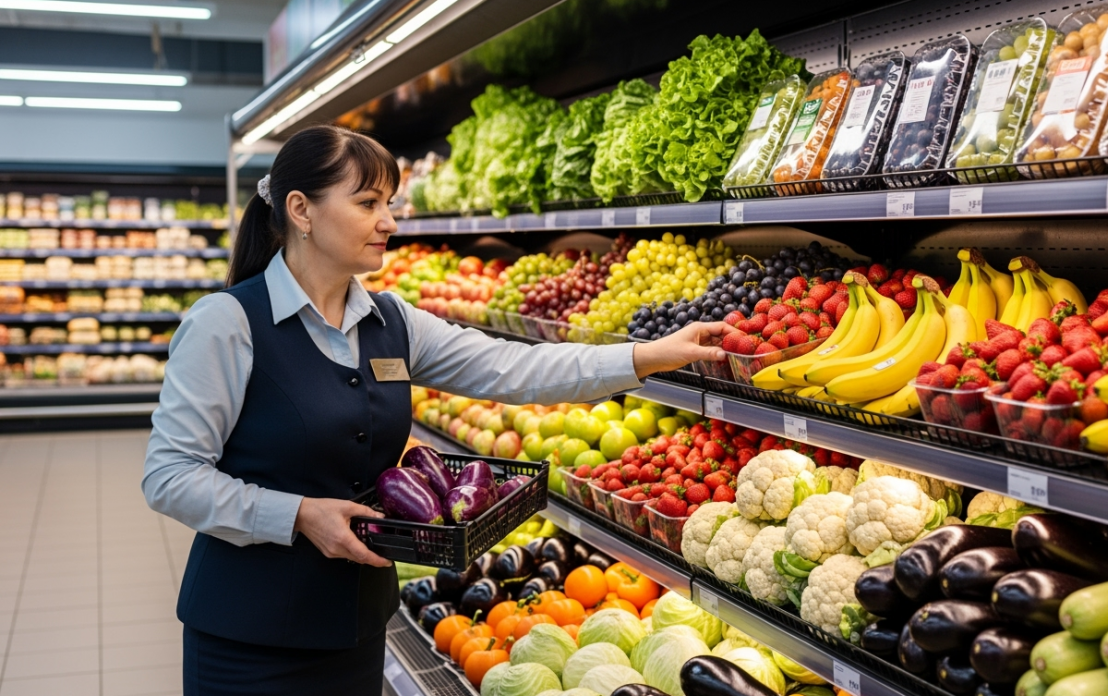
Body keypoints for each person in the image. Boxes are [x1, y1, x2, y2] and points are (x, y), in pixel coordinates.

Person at [142, 124, 729, 695]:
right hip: (251, 638)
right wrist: (296, 514)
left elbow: (518, 369)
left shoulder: (391, 321)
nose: (390, 222)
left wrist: (649, 356)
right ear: (302, 210)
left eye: (390, 202)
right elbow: (169, 478)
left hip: (357, 623)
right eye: (369, 202)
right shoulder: (227, 324)